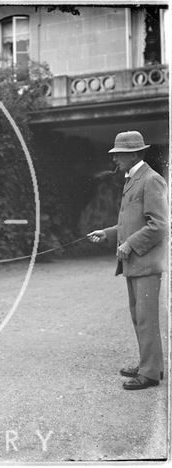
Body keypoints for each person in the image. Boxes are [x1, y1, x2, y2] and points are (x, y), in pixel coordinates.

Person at [88, 130, 168, 390]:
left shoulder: (152, 180)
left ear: (133, 154)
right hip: (137, 263)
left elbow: (159, 225)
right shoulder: (134, 179)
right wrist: (109, 233)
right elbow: (131, 221)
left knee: (146, 318)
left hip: (146, 263)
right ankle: (151, 365)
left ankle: (149, 373)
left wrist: (129, 244)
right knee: (139, 316)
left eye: (119, 155)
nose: (115, 160)